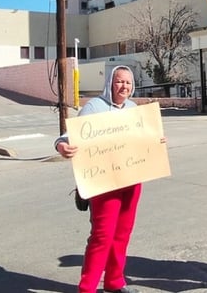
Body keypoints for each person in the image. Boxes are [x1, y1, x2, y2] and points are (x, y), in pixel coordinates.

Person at [54, 66, 145, 293]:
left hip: (131, 180)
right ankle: (87, 288)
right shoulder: (95, 107)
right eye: (119, 81)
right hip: (104, 182)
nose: (124, 86)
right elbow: (70, 135)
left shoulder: (133, 108)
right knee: (102, 236)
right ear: (109, 83)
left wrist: (156, 141)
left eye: (128, 82)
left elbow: (144, 139)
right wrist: (61, 144)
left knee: (122, 234)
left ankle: (114, 282)